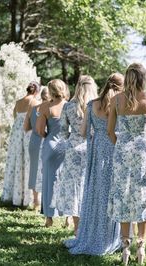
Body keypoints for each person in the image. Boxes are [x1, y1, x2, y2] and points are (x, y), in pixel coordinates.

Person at [65, 73, 124, 255]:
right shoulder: (119, 105)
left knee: (95, 191)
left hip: (96, 149)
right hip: (113, 148)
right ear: (121, 88)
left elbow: (83, 132)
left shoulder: (91, 105)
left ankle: (90, 235)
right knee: (110, 191)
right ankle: (110, 238)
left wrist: (95, 136)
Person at [107, 63, 146, 265]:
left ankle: (125, 248)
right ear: (143, 78)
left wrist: (121, 146)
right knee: (142, 195)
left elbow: (110, 132)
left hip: (123, 150)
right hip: (144, 152)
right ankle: (142, 245)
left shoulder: (116, 100)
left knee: (123, 195)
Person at [51, 75, 98, 235]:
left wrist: (71, 138)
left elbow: (63, 131)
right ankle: (90, 226)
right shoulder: (97, 106)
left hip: (73, 148)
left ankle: (77, 228)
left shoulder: (69, 106)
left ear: (78, 86)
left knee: (74, 189)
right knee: (90, 186)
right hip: (92, 148)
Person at [36, 79, 69, 227]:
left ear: (50, 90)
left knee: (50, 182)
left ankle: (49, 219)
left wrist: (48, 137)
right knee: (67, 181)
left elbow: (39, 130)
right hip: (66, 146)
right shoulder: (69, 106)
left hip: (50, 145)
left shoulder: (45, 107)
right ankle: (68, 217)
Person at [1, 81, 41, 206]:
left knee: (16, 161)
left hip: (16, 133)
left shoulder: (18, 102)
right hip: (27, 132)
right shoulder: (35, 102)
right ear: (36, 91)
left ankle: (15, 194)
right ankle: (27, 197)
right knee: (27, 162)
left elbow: (15, 116)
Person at [24, 87, 50, 210]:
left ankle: (35, 201)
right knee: (46, 171)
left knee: (34, 170)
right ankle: (46, 202)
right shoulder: (50, 108)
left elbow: (25, 127)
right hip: (45, 140)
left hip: (34, 141)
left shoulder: (33, 108)